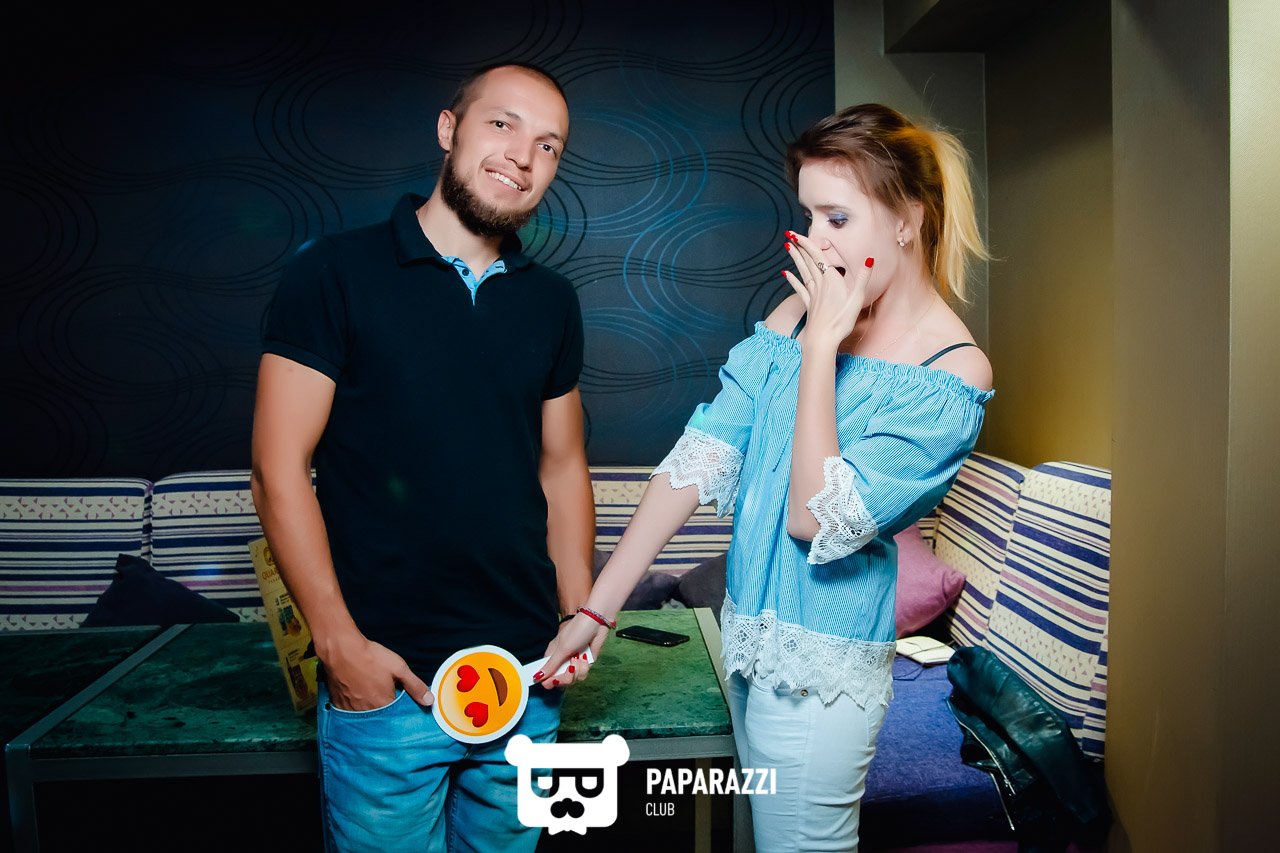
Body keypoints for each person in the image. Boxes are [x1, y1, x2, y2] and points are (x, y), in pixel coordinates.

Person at [541, 103, 995, 851]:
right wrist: (596, 612)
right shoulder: (794, 315)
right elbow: (697, 459)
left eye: (837, 218)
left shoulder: (951, 372)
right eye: (809, 216)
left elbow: (813, 518)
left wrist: (822, 351)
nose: (815, 240)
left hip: (822, 674)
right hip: (747, 642)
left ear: (908, 219)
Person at [250, 62, 606, 852]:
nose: (523, 155)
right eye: (502, 124)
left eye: (548, 145)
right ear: (449, 130)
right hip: (388, 683)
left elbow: (561, 464)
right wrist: (339, 648)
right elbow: (277, 468)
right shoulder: (332, 273)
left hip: (526, 681)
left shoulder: (551, 302)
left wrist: (579, 612)